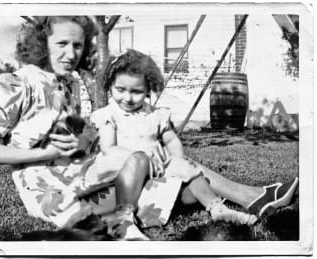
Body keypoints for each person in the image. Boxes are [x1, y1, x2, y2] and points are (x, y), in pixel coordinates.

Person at [89, 49, 299, 232]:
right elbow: (109, 151)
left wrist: (178, 161)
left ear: (148, 90)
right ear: (110, 87)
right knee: (182, 176)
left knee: (190, 173)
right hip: (125, 183)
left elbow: (171, 140)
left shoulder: (155, 115)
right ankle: (254, 197)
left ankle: (218, 208)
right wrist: (141, 159)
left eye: (136, 92)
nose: (127, 97)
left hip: (156, 177)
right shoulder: (109, 115)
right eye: (120, 90)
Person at [0, 16, 150, 241]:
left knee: (151, 170)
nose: (71, 54)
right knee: (145, 191)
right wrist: (46, 153)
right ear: (41, 42)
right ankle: (121, 222)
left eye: (77, 45)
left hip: (81, 169)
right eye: (62, 44)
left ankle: (123, 213)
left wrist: (83, 143)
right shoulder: (16, 85)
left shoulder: (70, 82)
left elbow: (74, 135)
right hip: (46, 185)